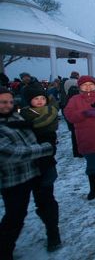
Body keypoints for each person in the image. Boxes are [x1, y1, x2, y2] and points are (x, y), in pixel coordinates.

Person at [0, 87, 55, 259]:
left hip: (39, 169)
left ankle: (53, 234)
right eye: (3, 102)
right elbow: (12, 153)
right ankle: (5, 249)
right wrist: (46, 148)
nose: (7, 105)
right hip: (14, 177)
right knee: (15, 215)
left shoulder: (19, 116)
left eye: (10, 101)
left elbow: (43, 127)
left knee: (47, 204)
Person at [19, 84, 62, 252]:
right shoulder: (21, 116)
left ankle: (53, 232)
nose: (40, 101)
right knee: (16, 210)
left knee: (46, 200)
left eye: (42, 98)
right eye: (36, 99)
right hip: (20, 168)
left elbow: (50, 142)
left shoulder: (50, 115)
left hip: (44, 163)